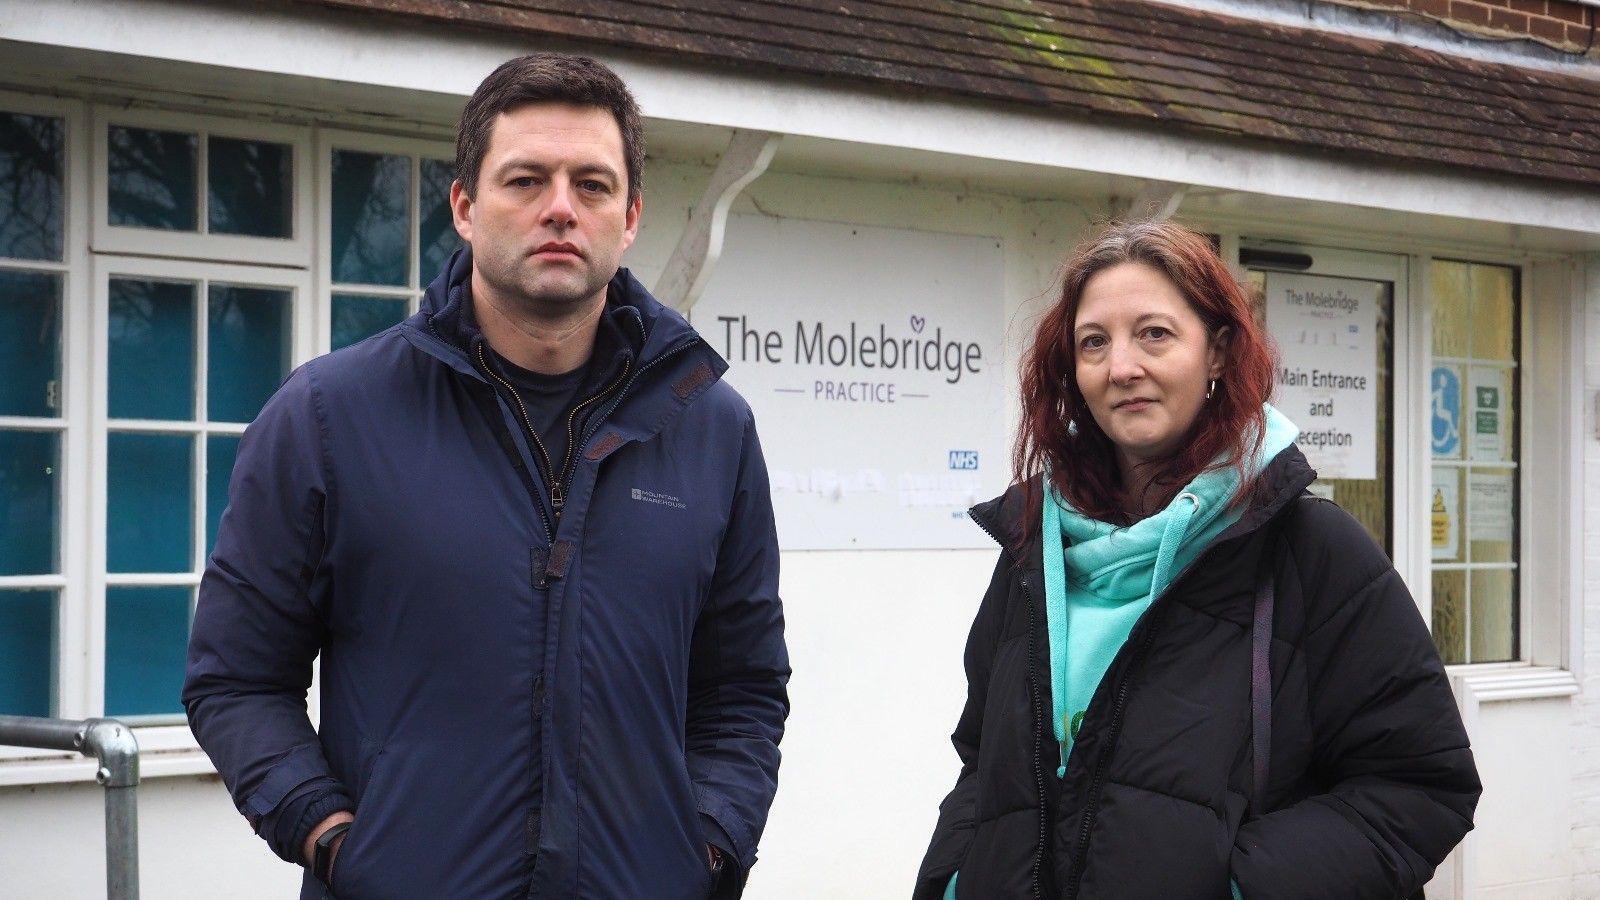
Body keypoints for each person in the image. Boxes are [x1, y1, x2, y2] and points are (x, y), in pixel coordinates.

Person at [184, 53, 789, 900]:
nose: (559, 210)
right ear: (464, 207)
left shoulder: (711, 427)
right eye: (525, 180)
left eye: (592, 185)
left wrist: (708, 847)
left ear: (631, 218)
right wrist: (335, 840)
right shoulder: (329, 417)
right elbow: (236, 679)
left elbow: (744, 687)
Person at [915, 221, 1479, 899]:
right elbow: (985, 763)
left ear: (1216, 353)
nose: (1122, 366)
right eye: (1094, 342)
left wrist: (1236, 887)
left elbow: (1418, 785)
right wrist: (951, 882)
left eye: (1154, 333)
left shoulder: (1312, 550)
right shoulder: (1035, 551)